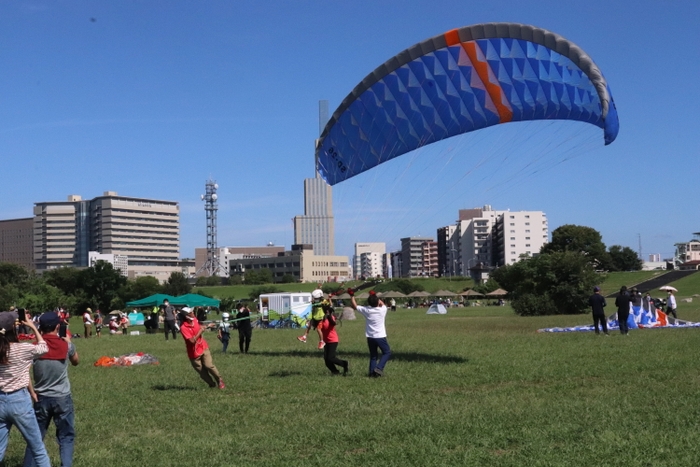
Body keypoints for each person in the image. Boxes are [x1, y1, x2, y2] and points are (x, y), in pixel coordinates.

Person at [23, 312, 79, 467]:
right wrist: (68, 341)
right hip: (62, 397)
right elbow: (76, 361)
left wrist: (32, 391)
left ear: (40, 327)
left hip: (40, 397)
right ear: (57, 326)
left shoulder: (36, 348)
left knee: (35, 437)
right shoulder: (65, 345)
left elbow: (24, 370)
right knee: (66, 436)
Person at [0, 311, 51, 467]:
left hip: (0, 400)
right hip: (19, 401)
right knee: (38, 448)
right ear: (13, 329)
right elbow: (43, 348)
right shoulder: (23, 349)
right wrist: (32, 327)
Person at [179, 307, 225, 389]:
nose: (193, 313)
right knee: (202, 373)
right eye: (191, 312)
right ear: (186, 316)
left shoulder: (195, 320)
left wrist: (207, 325)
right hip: (193, 353)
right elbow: (192, 341)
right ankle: (211, 384)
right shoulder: (183, 328)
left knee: (209, 365)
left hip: (203, 347)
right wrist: (201, 331)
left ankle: (219, 380)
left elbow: (200, 326)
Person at [350, 289, 391, 377]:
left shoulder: (367, 310)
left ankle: (372, 373)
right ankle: (379, 368)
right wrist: (374, 295)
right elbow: (381, 303)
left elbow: (355, 306)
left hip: (370, 336)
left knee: (373, 356)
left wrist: (352, 295)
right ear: (377, 301)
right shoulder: (382, 310)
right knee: (387, 352)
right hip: (380, 336)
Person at [317, 306, 348, 375]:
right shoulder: (321, 319)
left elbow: (333, 323)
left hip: (333, 340)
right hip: (325, 341)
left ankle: (344, 363)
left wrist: (328, 316)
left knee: (330, 358)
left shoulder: (331, 318)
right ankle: (335, 371)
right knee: (326, 360)